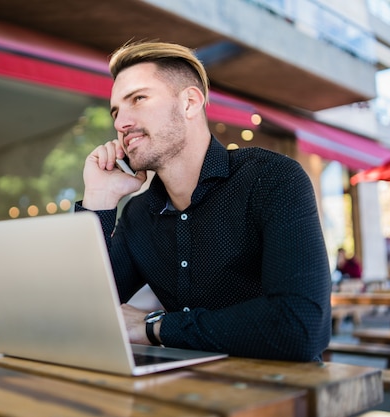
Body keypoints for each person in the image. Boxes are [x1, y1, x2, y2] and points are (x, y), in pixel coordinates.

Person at [76, 41, 331, 362]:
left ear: (190, 102)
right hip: (186, 391)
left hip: (282, 395)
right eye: (115, 111)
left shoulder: (272, 179)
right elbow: (81, 311)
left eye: (138, 99)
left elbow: (300, 326)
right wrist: (99, 200)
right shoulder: (139, 215)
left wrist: (155, 327)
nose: (119, 123)